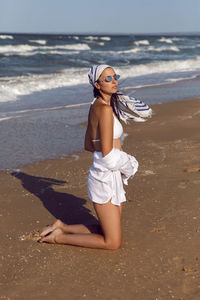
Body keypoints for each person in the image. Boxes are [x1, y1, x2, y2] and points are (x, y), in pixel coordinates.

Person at [39, 64, 151, 249]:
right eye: (108, 78)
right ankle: (58, 237)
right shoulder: (104, 110)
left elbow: (89, 145)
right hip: (104, 177)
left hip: (111, 174)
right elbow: (107, 156)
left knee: (106, 229)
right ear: (97, 85)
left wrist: (108, 147)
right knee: (112, 242)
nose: (114, 81)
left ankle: (63, 227)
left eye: (115, 77)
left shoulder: (98, 106)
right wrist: (130, 163)